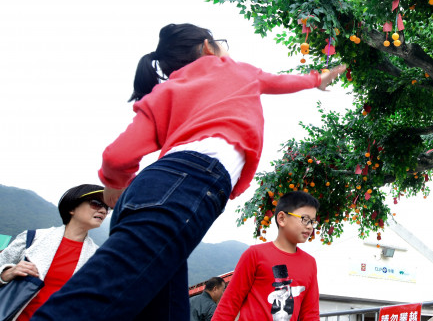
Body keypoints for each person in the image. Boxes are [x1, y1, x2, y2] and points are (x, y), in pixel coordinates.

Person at [33, 23, 345, 321]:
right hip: (191, 184)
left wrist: (116, 187)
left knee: (164, 310)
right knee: (96, 299)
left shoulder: (165, 92)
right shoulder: (232, 69)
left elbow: (118, 156)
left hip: (149, 189)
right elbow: (278, 81)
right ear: (209, 47)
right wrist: (317, 79)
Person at [0, 184, 108, 321]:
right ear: (72, 208)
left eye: (107, 207)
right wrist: (6, 273)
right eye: (96, 203)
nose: (103, 211)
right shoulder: (32, 238)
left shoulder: (98, 257)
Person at [213, 191, 321, 321]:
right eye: (304, 219)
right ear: (281, 218)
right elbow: (230, 303)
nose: (310, 227)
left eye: (313, 222)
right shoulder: (255, 254)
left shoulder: (309, 263)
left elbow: (311, 313)